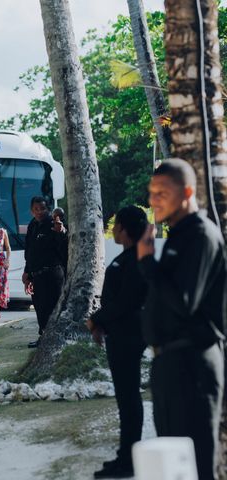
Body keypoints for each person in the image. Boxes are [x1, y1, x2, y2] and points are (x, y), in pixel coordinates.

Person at [138, 159, 225, 480]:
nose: (153, 200)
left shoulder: (201, 235)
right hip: (169, 365)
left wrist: (148, 264)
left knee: (197, 467)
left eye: (162, 192)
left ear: (187, 193)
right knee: (173, 467)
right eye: (151, 192)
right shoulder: (177, 235)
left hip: (193, 365)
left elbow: (184, 302)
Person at [86, 206, 148, 479]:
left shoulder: (136, 260)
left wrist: (95, 319)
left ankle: (130, 459)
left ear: (125, 228)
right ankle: (127, 454)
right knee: (126, 398)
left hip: (128, 336)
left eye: (115, 224)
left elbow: (126, 302)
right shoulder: (129, 258)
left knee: (129, 397)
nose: (112, 229)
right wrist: (101, 323)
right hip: (119, 333)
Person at [22, 196, 68, 348]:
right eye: (36, 209)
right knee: (40, 308)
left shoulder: (54, 223)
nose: (39, 212)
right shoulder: (32, 225)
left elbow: (64, 248)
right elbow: (29, 251)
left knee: (52, 309)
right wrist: (27, 272)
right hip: (36, 276)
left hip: (52, 275)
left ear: (47, 208)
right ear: (31, 211)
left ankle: (55, 339)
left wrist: (60, 232)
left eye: (42, 208)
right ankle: (43, 337)